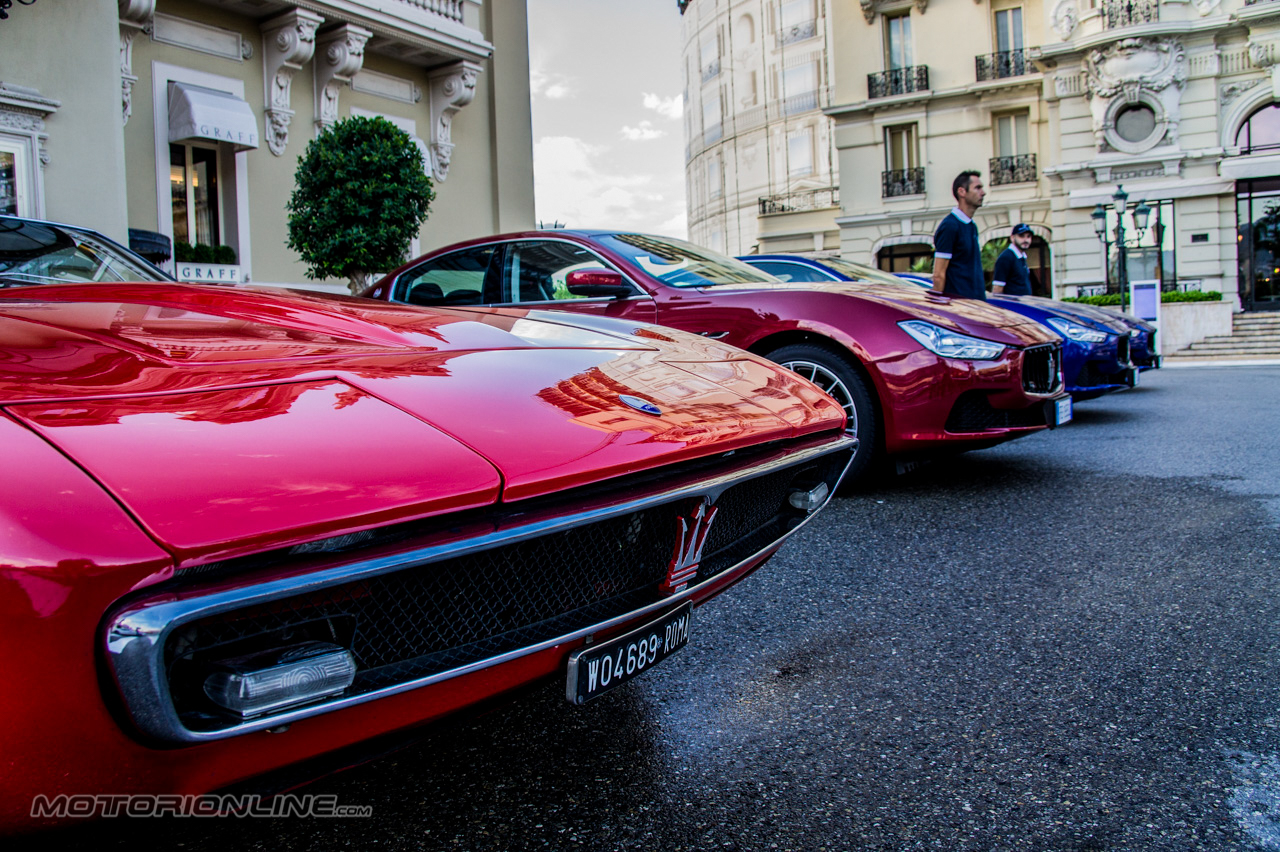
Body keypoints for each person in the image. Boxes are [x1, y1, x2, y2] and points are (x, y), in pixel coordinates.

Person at [931, 170, 986, 300]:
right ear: (962, 192)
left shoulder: (971, 226)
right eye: (977, 188)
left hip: (977, 306)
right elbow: (939, 274)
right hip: (960, 307)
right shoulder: (950, 226)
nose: (983, 193)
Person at [992, 223, 1034, 296]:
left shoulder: (1021, 257)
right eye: (1021, 236)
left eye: (1028, 236)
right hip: (1013, 305)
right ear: (1012, 238)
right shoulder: (1006, 258)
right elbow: (997, 289)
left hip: (1024, 304)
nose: (1025, 240)